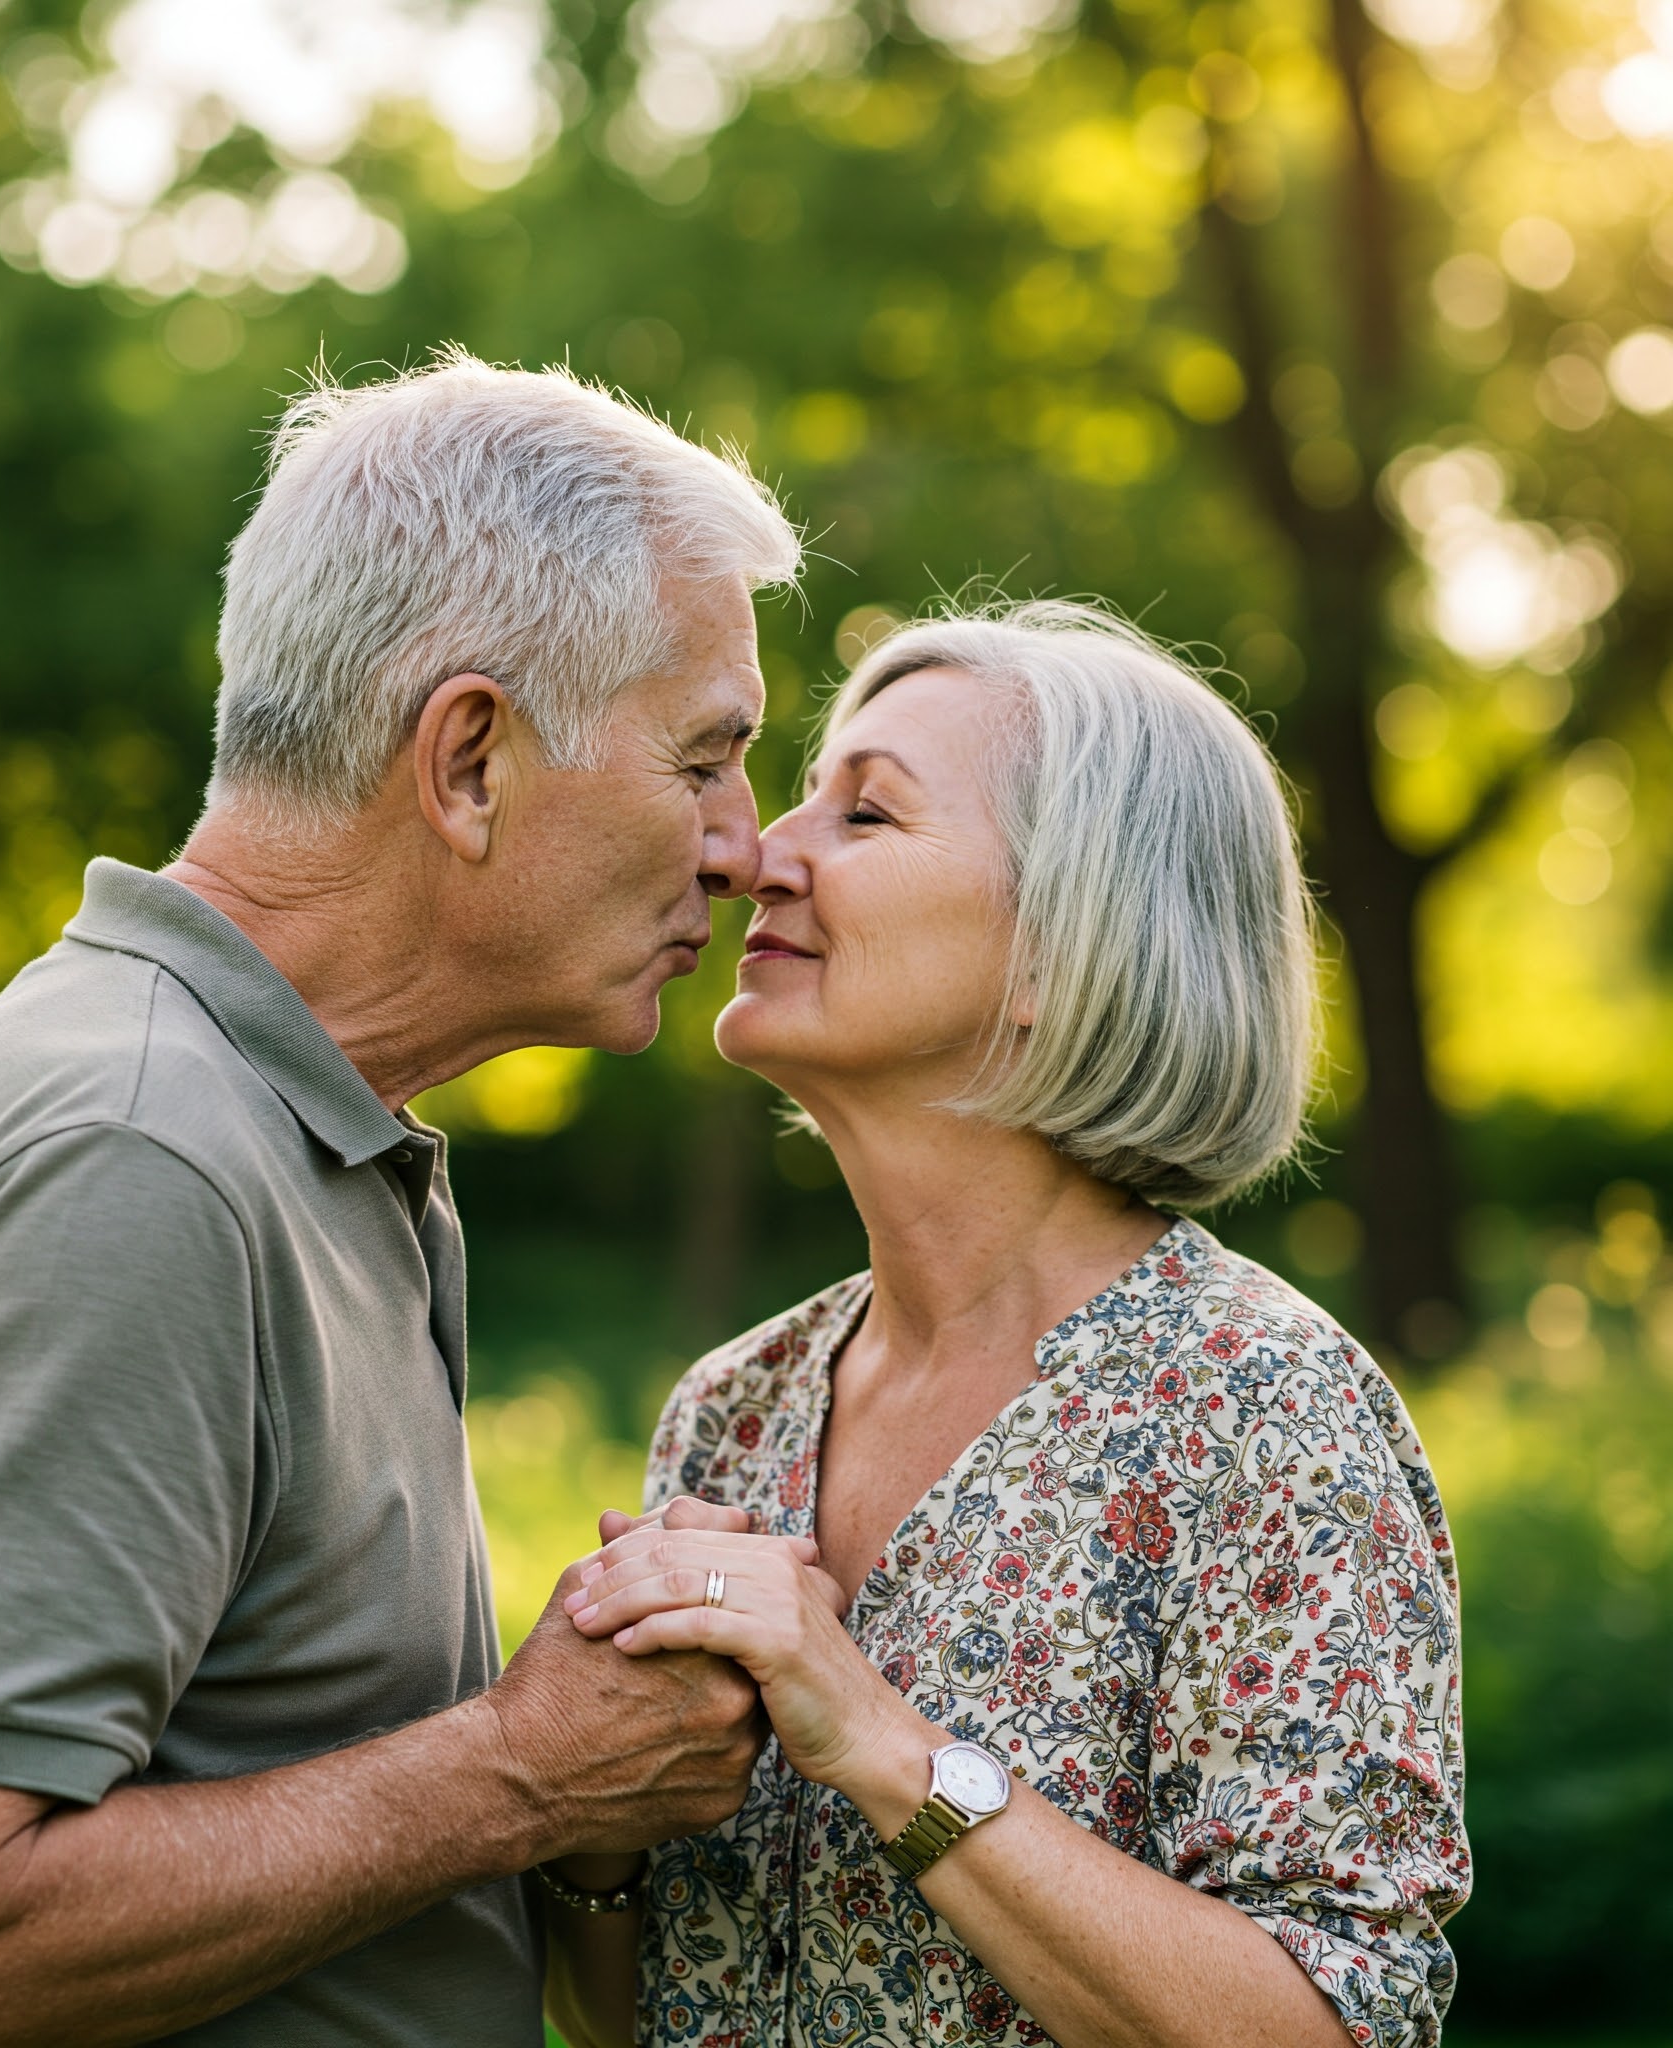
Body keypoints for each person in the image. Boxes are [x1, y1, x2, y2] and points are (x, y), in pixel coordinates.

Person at [0, 351, 804, 2048]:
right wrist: (523, 1774)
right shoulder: (137, 1158)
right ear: (467, 760)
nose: (743, 844)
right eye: (704, 760)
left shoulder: (291, 1131)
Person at [544, 604, 1471, 2048]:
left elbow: (1335, 2025)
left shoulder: (1266, 1414)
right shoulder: (734, 1408)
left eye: (866, 811)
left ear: (1065, 945)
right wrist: (594, 1813)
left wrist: (880, 1742)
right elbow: (634, 2016)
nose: (757, 854)